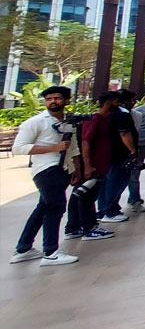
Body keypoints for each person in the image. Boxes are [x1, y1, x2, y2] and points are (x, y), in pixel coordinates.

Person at [10, 85, 80, 266]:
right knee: (55, 208)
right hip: (45, 169)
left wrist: (76, 168)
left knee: (43, 207)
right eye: (49, 99)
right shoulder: (36, 122)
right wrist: (53, 148)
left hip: (63, 169)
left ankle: (23, 249)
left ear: (66, 100)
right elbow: (18, 148)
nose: (53, 102)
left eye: (57, 98)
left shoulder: (68, 121)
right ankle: (51, 252)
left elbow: (72, 147)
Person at [65, 91, 122, 242]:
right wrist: (88, 166)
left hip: (98, 166)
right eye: (117, 101)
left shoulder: (104, 119)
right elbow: (85, 143)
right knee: (85, 197)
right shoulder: (94, 119)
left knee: (81, 195)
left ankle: (73, 227)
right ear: (109, 102)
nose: (120, 105)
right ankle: (88, 228)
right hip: (90, 167)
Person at [98, 89, 138, 223]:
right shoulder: (121, 114)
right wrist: (132, 150)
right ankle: (110, 210)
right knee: (116, 181)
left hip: (106, 153)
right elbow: (124, 133)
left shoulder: (102, 115)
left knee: (107, 182)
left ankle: (103, 209)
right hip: (119, 153)